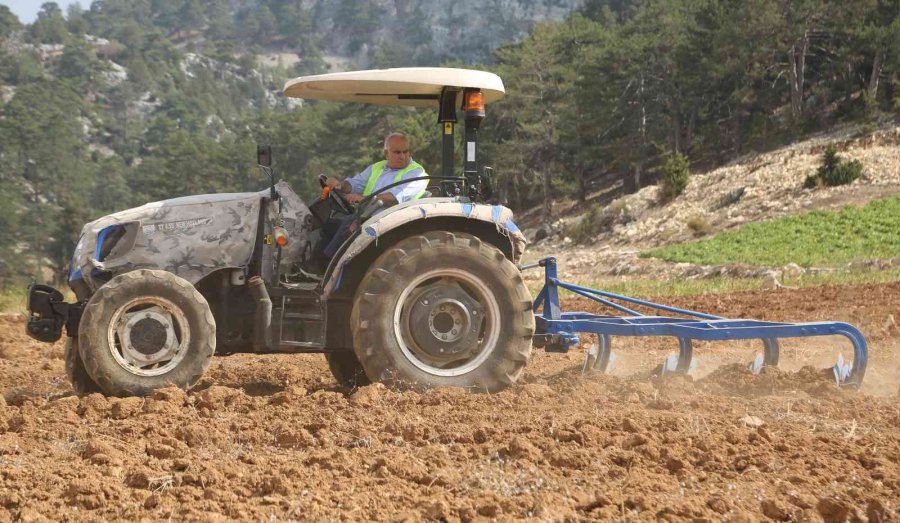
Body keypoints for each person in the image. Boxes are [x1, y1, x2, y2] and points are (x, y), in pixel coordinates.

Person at [317, 132, 428, 263]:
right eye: (397, 152)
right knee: (329, 226)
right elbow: (355, 184)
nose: (402, 156)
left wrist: (363, 198)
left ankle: (324, 264)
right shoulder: (377, 168)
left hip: (390, 223)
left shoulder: (417, 173)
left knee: (349, 225)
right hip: (368, 216)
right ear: (386, 153)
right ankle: (314, 267)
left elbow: (394, 198)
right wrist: (340, 185)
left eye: (405, 152)